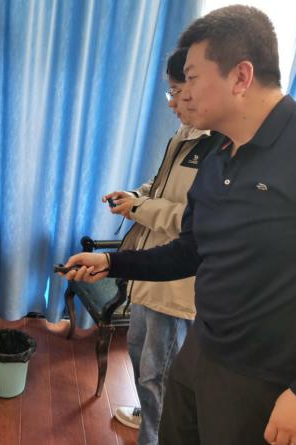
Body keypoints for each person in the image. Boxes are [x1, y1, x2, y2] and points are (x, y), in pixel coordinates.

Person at [63, 5, 296, 444]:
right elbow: (191, 250)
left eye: (191, 76)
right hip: (200, 350)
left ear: (240, 76)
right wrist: (112, 263)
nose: (182, 93)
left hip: (268, 378)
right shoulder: (217, 156)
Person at [104, 47, 224, 445]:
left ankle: (156, 436)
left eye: (177, 91)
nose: (172, 102)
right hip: (150, 269)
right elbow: (161, 189)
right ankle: (150, 422)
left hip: (176, 283)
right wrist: (135, 196)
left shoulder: (218, 146)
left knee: (161, 374)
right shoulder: (184, 135)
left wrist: (139, 208)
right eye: (169, 92)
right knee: (140, 356)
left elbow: (193, 221)